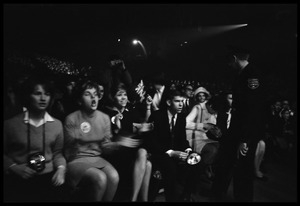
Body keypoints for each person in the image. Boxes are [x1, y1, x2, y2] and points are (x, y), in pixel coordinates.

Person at [63, 79, 131, 201]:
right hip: (77, 159)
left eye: (95, 95)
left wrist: (118, 144)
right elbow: (68, 153)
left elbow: (105, 147)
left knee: (114, 176)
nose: (93, 99)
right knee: (100, 178)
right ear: (79, 100)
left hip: (96, 158)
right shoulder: (71, 119)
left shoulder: (104, 118)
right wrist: (82, 136)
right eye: (87, 95)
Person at [4, 75, 67, 202]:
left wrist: (61, 169)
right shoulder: (10, 124)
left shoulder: (57, 124)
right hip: (20, 178)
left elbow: (57, 154)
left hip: (48, 178)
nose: (43, 98)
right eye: (37, 93)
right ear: (28, 96)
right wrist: (13, 167)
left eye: (47, 94)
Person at [227, 46, 267, 202]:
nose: (229, 65)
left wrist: (245, 139)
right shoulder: (244, 74)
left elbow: (252, 110)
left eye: (230, 61)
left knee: (243, 170)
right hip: (242, 130)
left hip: (246, 133)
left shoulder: (251, 75)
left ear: (234, 58)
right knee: (240, 169)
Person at [101, 83, 152, 201]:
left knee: (146, 161)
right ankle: (134, 199)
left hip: (130, 151)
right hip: (116, 153)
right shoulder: (107, 113)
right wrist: (120, 137)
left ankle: (139, 199)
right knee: (146, 161)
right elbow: (110, 140)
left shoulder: (129, 113)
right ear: (113, 97)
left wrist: (149, 107)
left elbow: (142, 126)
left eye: (125, 94)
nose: (123, 97)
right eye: (119, 95)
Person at [145, 89, 194, 202]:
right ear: (168, 102)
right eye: (177, 101)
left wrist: (188, 150)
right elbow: (151, 143)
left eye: (182, 101)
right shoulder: (157, 116)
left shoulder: (181, 117)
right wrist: (171, 152)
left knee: (196, 162)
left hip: (175, 152)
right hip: (159, 153)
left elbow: (182, 139)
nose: (181, 104)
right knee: (170, 167)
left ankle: (185, 195)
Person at [185, 86, 220, 180]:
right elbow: (186, 123)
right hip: (192, 135)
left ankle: (204, 169)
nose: (201, 98)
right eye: (199, 96)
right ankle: (196, 174)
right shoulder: (197, 107)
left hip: (203, 136)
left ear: (206, 97)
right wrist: (203, 125)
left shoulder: (210, 110)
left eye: (203, 96)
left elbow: (211, 125)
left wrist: (214, 130)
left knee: (219, 147)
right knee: (212, 150)